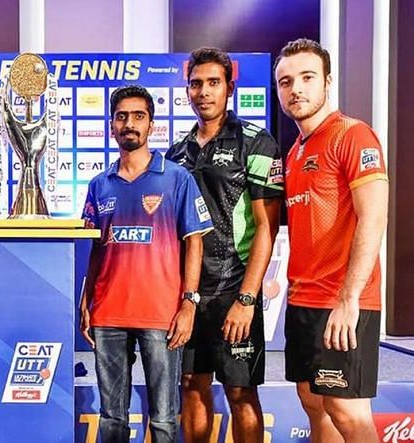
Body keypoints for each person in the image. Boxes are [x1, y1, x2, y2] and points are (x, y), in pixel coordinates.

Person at [79, 85, 213, 443]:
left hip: (161, 314)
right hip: (108, 313)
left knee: (166, 420)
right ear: (111, 125)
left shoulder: (176, 178)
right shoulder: (98, 185)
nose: (129, 123)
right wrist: (85, 299)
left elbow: (195, 242)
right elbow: (95, 249)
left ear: (151, 124)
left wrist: (189, 302)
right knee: (111, 419)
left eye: (138, 116)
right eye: (122, 116)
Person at [166, 48, 283, 443]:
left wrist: (247, 300)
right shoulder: (175, 154)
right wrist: (183, 296)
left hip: (235, 290)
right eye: (196, 84)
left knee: (240, 391)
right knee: (190, 385)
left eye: (213, 83)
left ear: (229, 88)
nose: (204, 92)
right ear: (187, 90)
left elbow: (268, 227)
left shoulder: (257, 142)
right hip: (188, 294)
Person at [276, 38, 387, 443]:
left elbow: (374, 217)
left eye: (307, 78)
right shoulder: (293, 152)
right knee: (313, 400)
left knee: (347, 409)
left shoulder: (353, 136)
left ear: (327, 81)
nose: (297, 89)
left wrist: (348, 298)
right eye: (286, 82)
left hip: (341, 301)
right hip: (303, 299)